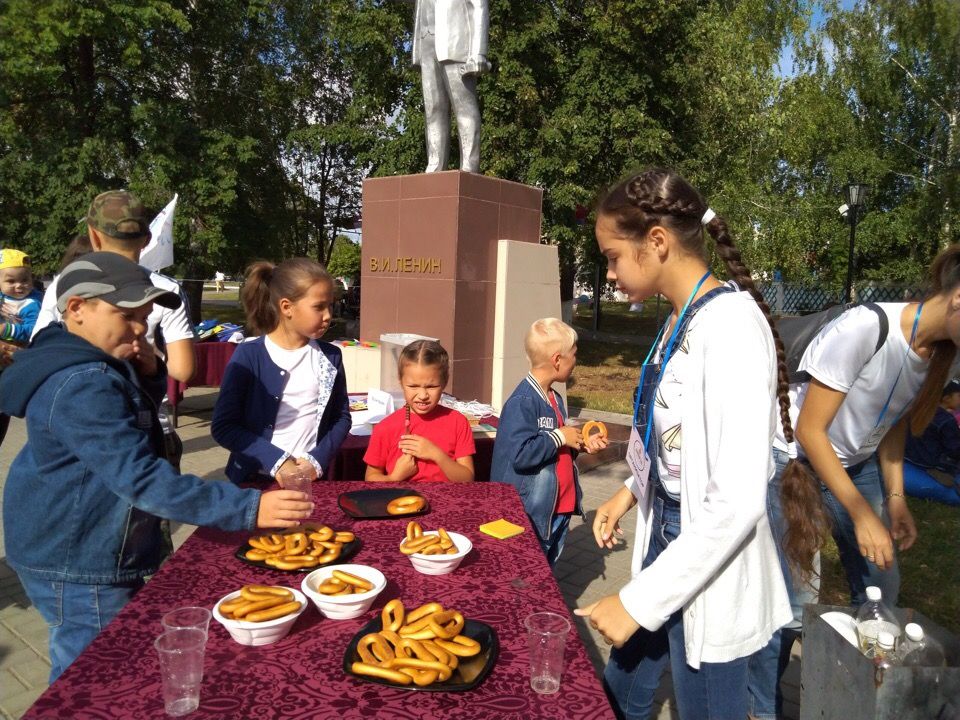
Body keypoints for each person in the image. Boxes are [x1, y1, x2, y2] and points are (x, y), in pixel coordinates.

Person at [574, 169, 823, 720]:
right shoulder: (681, 320)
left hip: (708, 561)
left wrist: (635, 602)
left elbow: (734, 501)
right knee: (619, 692)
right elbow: (673, 442)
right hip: (670, 538)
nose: (610, 273)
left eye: (613, 256)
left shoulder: (730, 327)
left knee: (706, 705)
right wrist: (626, 496)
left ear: (656, 242)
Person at [0, 252, 314, 682]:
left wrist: (148, 376)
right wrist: (246, 509)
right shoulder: (82, 383)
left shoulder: (85, 363)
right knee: (96, 674)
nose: (138, 329)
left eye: (144, 317)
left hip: (79, 545)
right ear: (76, 308)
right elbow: (142, 478)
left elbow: (129, 427)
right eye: (126, 316)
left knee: (107, 659)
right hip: (79, 560)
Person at [748, 245, 960, 719]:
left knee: (881, 580)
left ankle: (858, 694)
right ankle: (760, 707)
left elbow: (892, 424)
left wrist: (896, 498)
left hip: (858, 465)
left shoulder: (939, 356)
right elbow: (810, 431)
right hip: (796, 463)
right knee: (790, 598)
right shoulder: (868, 328)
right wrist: (863, 514)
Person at [32, 191, 196, 386]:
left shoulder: (67, 282)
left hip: (71, 397)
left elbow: (39, 349)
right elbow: (183, 370)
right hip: (142, 402)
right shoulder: (167, 289)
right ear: (147, 239)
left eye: (142, 316)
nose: (139, 327)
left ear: (93, 235)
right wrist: (150, 361)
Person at [211, 258, 352, 486]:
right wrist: (276, 460)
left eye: (331, 305)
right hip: (256, 483)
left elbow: (341, 417)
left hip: (311, 481)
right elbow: (224, 426)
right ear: (287, 307)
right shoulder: (249, 356)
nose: (328, 315)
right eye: (318, 307)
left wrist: (317, 460)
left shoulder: (330, 356)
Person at [492, 318, 608, 565]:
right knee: (530, 574)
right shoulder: (523, 402)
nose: (576, 361)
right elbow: (521, 455)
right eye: (573, 355)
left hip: (560, 508)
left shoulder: (554, 398)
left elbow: (555, 448)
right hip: (535, 513)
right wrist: (559, 436)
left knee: (548, 570)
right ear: (557, 360)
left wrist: (580, 443)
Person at [364, 339, 475, 482]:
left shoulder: (458, 422)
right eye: (413, 386)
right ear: (401, 381)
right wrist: (395, 477)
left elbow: (467, 479)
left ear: (445, 382)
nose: (423, 396)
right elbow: (370, 479)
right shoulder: (385, 428)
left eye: (431, 387)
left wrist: (436, 454)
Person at [412, 0, 490, 173]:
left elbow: (479, 6)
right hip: (426, 46)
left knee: (464, 109)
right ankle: (434, 164)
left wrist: (478, 52)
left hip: (456, 45)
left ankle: (469, 167)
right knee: (433, 110)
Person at [902, 379, 960, 505]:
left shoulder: (918, 410)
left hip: (910, 459)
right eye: (958, 396)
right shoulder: (946, 420)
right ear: (946, 398)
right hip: (933, 465)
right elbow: (955, 449)